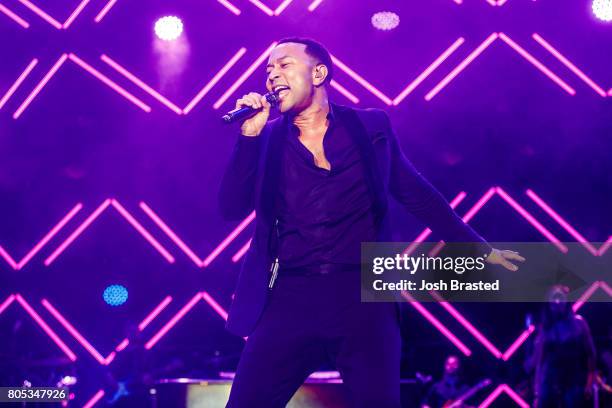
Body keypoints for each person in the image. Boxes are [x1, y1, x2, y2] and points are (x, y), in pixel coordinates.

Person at [218, 37, 524, 408]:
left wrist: (481, 249)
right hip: (289, 296)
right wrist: (248, 139)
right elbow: (231, 208)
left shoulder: (370, 127)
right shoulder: (266, 140)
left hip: (362, 296)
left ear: (318, 73)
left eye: (283, 65)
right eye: (268, 70)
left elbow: (419, 196)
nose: (271, 76)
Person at [534, 285, 597, 408]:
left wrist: (590, 382)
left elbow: (592, 355)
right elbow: (540, 362)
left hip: (575, 380)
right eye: (553, 299)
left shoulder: (579, 323)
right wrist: (537, 392)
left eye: (561, 298)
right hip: (550, 381)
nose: (557, 302)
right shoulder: (546, 328)